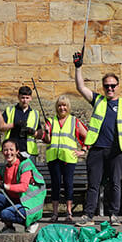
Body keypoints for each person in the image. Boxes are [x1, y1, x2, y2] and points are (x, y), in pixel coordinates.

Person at [72, 52, 122, 227]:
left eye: (112, 85)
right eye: (106, 86)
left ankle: (113, 215)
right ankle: (89, 216)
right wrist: (78, 68)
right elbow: (81, 87)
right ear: (103, 87)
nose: (109, 88)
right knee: (93, 184)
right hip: (97, 149)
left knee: (115, 184)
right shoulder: (98, 100)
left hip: (116, 150)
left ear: (118, 86)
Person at [41, 95, 88, 223]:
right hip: (53, 158)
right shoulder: (50, 121)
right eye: (60, 105)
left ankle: (69, 213)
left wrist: (83, 150)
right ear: (57, 107)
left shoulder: (74, 121)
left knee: (68, 184)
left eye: (64, 105)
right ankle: (55, 213)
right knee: (55, 185)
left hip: (68, 158)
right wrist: (46, 132)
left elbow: (88, 136)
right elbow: (47, 140)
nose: (62, 108)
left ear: (68, 107)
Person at [0, 139, 46, 234]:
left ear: (17, 151)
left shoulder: (25, 165)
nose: (8, 153)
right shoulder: (4, 169)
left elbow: (23, 187)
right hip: (16, 201)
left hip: (29, 204)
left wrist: (5, 186)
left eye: (11, 150)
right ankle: (9, 227)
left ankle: (31, 223)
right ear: (2, 152)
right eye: (5, 150)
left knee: (5, 214)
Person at [0, 85, 42, 159]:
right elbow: (0, 127)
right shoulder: (10, 110)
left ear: (31, 98)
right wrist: (14, 125)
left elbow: (40, 134)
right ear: (18, 97)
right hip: (12, 151)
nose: (25, 100)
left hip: (28, 152)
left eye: (27, 98)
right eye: (22, 98)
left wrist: (32, 132)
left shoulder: (35, 113)